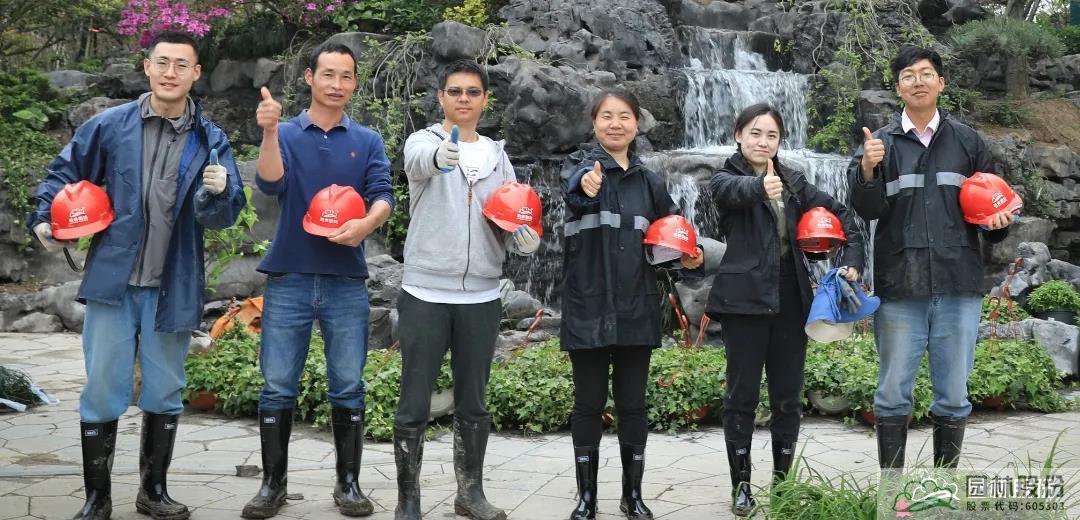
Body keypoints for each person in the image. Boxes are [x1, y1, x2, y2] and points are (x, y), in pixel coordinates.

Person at [27, 31, 246, 520]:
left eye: (181, 64)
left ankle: (154, 492)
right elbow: (62, 175)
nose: (170, 72)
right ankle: (97, 498)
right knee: (103, 387)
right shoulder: (109, 126)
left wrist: (223, 191)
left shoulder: (210, 139)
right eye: (162, 62)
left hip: (173, 282)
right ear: (147, 67)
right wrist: (44, 220)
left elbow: (224, 216)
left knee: (165, 388)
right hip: (114, 282)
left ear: (196, 74)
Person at [242, 41, 394, 519]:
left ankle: (348, 484)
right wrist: (269, 132)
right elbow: (270, 183)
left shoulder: (367, 140)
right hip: (288, 276)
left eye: (346, 76)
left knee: (348, 384)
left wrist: (367, 224)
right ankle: (272, 485)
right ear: (309, 77)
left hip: (346, 280)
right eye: (328, 74)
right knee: (277, 385)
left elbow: (383, 194)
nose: (336, 84)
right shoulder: (287, 133)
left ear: (355, 82)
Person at [848, 47, 1012, 474]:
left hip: (958, 284)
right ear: (898, 87)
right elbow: (866, 210)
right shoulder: (878, 145)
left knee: (954, 395)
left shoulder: (968, 142)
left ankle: (941, 492)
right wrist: (867, 172)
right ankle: (891, 493)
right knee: (891, 394)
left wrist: (999, 223)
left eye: (925, 74)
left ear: (941, 82)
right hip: (900, 285)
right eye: (908, 75)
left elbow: (993, 213)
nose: (917, 81)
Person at [392, 60, 540, 520]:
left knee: (474, 402)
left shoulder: (498, 156)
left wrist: (522, 238)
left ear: (484, 99)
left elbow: (510, 213)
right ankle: (408, 500)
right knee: (414, 400)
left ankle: (470, 494)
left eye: (472, 92)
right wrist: (440, 158)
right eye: (454, 91)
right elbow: (418, 162)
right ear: (440, 97)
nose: (463, 99)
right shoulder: (423, 142)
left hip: (481, 296)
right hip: (425, 293)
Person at [705, 103, 864, 516]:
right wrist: (761, 187)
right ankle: (741, 487)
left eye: (772, 135)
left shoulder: (793, 181)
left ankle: (783, 485)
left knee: (788, 398)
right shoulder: (724, 177)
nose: (763, 142)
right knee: (741, 396)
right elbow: (731, 193)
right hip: (743, 301)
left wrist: (851, 260)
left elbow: (840, 213)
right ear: (738, 135)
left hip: (791, 299)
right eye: (755, 133)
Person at [560, 89, 704, 520]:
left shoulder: (650, 182)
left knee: (633, 404)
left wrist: (690, 256)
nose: (615, 123)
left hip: (637, 306)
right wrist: (586, 185)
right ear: (594, 123)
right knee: (588, 403)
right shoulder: (578, 167)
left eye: (624, 116)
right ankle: (586, 497)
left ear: (637, 124)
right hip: (587, 305)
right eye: (607, 116)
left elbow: (672, 235)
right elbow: (575, 193)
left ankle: (633, 495)